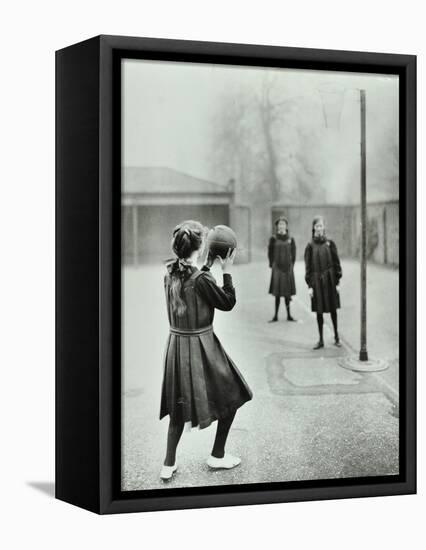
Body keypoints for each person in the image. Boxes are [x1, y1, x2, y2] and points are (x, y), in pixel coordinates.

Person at [159, 220, 253, 481]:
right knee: (234, 395)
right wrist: (227, 270)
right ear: (200, 249)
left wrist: (209, 268)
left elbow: (195, 284)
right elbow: (227, 302)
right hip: (201, 346)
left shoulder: (170, 273)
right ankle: (218, 455)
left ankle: (168, 463)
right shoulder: (201, 279)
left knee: (178, 407)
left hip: (177, 346)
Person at [304, 215, 342, 349]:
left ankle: (337, 337)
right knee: (319, 311)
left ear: (324, 228)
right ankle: (320, 340)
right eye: (317, 226)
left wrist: (337, 283)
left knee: (333, 310)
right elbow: (308, 268)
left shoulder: (330, 243)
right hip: (316, 283)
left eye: (321, 226)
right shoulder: (310, 246)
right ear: (313, 229)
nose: (319, 228)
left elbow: (337, 264)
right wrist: (310, 286)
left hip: (330, 281)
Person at [268, 216, 297, 322]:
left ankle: (289, 315)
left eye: (283, 224)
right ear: (277, 226)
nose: (281, 226)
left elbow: (294, 253)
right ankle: (275, 316)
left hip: (288, 269)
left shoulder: (290, 239)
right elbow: (270, 252)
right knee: (277, 293)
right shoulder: (273, 238)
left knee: (287, 293)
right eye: (279, 224)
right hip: (277, 269)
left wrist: (291, 265)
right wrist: (272, 264)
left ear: (286, 226)